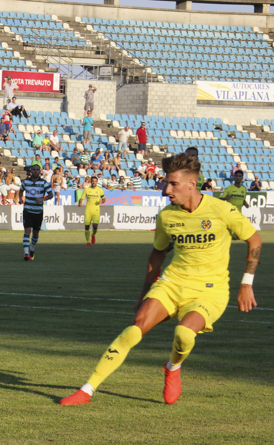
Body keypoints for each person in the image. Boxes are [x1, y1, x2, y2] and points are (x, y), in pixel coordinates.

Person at [60, 153, 261, 406]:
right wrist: (144, 293)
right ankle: (87, 390)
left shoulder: (221, 210)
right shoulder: (167, 216)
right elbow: (157, 252)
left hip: (210, 291)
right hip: (171, 284)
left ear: (192, 184)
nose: (166, 190)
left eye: (173, 184)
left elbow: (254, 240)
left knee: (184, 334)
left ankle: (172, 367)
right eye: (166, 183)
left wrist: (246, 284)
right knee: (134, 329)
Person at [19, 164, 54, 261]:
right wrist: (20, 199)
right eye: (33, 169)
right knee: (27, 231)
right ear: (31, 171)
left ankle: (32, 250)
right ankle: (26, 253)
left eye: (37, 169)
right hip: (28, 210)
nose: (35, 171)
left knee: (35, 234)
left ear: (40, 171)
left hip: (38, 211)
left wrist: (43, 199)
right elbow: (21, 190)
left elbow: (51, 195)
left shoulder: (44, 183)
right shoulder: (26, 182)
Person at [78, 175, 105, 246]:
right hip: (88, 210)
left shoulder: (100, 190)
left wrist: (102, 201)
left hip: (96, 210)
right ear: (91, 182)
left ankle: (93, 235)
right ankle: (88, 242)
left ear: (97, 182)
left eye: (95, 181)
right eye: (92, 181)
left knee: (95, 226)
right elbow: (82, 197)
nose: (94, 182)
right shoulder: (87, 189)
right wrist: (80, 202)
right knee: (87, 226)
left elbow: (104, 198)